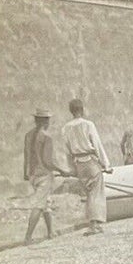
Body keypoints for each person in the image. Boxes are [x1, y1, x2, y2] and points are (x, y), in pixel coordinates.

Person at [59, 98, 112, 234]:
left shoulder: (66, 128)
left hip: (78, 163)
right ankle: (95, 225)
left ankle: (93, 224)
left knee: (88, 193)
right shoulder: (88, 125)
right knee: (96, 192)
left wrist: (71, 169)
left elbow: (66, 151)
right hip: (91, 161)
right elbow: (97, 144)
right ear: (82, 110)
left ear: (71, 111)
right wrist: (106, 165)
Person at [22, 110, 65, 243]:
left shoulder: (28, 135)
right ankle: (28, 238)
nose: (49, 123)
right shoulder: (47, 137)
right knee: (39, 205)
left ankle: (50, 231)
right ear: (45, 121)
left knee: (45, 202)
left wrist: (26, 173)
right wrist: (62, 170)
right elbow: (48, 161)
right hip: (44, 175)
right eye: (47, 120)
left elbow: (26, 156)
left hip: (33, 175)